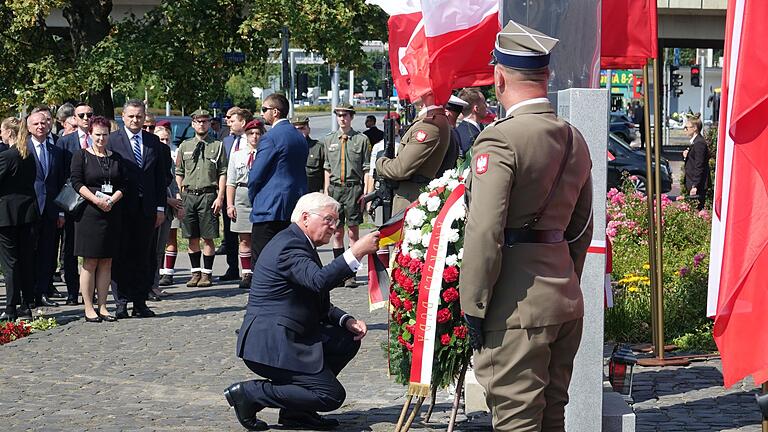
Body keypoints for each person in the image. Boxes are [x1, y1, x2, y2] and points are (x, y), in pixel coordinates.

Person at [458, 21, 593, 431]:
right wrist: (565, 278)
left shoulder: (500, 139)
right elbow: (582, 226)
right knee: (553, 416)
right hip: (563, 298)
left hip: (516, 305)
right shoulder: (573, 137)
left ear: (499, 78)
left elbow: (484, 231)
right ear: (547, 75)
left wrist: (473, 305)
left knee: (517, 422)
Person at [224, 192, 380, 431]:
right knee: (330, 396)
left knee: (346, 339)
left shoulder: (298, 241)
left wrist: (345, 320)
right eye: (328, 219)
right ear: (305, 217)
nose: (333, 227)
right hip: (271, 344)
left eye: (336, 222)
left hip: (291, 334)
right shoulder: (289, 245)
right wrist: (356, 251)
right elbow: (318, 281)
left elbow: (312, 296)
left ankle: (297, 413)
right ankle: (250, 394)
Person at [108, 99, 171, 319]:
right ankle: (121, 302)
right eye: (131, 116)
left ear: (144, 117)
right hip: (122, 208)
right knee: (121, 255)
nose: (135, 120)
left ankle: (140, 302)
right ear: (123, 117)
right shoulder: (113, 141)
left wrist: (161, 208)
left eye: (139, 116)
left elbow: (161, 178)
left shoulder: (154, 142)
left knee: (143, 256)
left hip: (147, 209)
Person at [71, 116, 127, 322]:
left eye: (105, 135)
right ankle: (88, 307)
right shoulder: (81, 155)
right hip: (89, 213)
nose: (101, 138)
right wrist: (96, 200)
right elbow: (76, 182)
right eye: (97, 135)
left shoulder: (116, 158)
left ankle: (103, 306)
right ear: (90, 135)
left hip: (111, 212)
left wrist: (112, 200)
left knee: (107, 261)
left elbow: (124, 183)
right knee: (90, 261)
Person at [248, 94, 308, 265]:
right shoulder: (299, 137)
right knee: (287, 257)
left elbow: (256, 175)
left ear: (275, 112)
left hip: (269, 207)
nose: (262, 113)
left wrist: (254, 198)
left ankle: (263, 291)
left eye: (264, 109)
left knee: (262, 260)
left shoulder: (270, 137)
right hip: (293, 203)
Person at [175, 109, 228, 288]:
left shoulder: (218, 146)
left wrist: (220, 196)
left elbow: (222, 173)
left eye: (205, 121)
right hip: (189, 195)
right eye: (198, 121)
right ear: (193, 124)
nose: (201, 125)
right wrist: (179, 194)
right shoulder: (185, 146)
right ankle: (195, 272)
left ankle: (207, 274)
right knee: (191, 237)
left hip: (208, 195)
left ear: (209, 124)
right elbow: (179, 172)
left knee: (208, 236)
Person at [375, 92, 450, 214]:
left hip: (411, 201)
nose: (411, 91)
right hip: (412, 197)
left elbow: (399, 169)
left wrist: (380, 162)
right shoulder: (431, 120)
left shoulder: (428, 125)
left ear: (428, 93)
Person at [322, 103, 370, 286]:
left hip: (353, 188)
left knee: (353, 232)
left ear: (352, 117)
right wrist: (326, 190)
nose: (342, 118)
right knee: (336, 232)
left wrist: (366, 192)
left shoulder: (361, 140)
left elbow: (366, 168)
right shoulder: (329, 140)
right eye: (339, 115)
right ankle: (339, 273)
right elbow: (326, 167)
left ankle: (351, 273)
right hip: (335, 189)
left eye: (346, 115)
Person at [56, 102, 95, 306]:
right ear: (74, 118)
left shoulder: (100, 139)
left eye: (89, 114)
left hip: (96, 202)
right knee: (70, 248)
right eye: (82, 115)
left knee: (94, 250)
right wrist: (61, 210)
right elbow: (60, 175)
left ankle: (92, 291)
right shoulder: (65, 142)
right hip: (72, 202)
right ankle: (73, 291)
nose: (86, 118)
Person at [26, 111, 66, 308]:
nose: (40, 126)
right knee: (28, 254)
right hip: (29, 211)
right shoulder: (22, 150)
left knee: (47, 254)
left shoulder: (56, 151)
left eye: (43, 123)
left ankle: (42, 292)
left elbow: (59, 183)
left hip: (50, 211)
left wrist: (60, 211)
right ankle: (28, 294)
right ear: (28, 127)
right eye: (36, 123)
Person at [0, 117, 37, 321]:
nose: (1, 135)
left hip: (7, 216)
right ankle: (26, 303)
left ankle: (10, 307)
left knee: (10, 263)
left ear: (9, 132)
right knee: (24, 260)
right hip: (27, 213)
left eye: (2, 131)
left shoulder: (7, 156)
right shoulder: (28, 156)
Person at [226, 119, 264, 290]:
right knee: (244, 238)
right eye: (251, 134)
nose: (254, 137)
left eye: (258, 134)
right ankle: (246, 273)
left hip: (261, 195)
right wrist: (230, 204)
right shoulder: (237, 155)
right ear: (246, 136)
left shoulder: (266, 153)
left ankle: (260, 272)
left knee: (260, 237)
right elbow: (231, 182)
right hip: (241, 195)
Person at [219, 107, 253, 283]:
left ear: (243, 122)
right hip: (229, 190)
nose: (228, 123)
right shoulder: (226, 140)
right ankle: (232, 267)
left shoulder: (254, 139)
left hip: (248, 191)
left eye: (232, 120)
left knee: (248, 234)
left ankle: (251, 270)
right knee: (230, 232)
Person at [152, 120, 182, 297]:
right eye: (161, 139)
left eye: (167, 140)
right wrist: (168, 200)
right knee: (152, 249)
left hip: (169, 209)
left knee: (159, 250)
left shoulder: (169, 158)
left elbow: (173, 183)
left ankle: (154, 284)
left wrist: (178, 200)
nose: (164, 143)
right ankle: (149, 285)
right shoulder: (151, 156)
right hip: (157, 207)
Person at [682, 115, 710, 210]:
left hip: (697, 185)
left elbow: (699, 165)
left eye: (686, 127)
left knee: (696, 210)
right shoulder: (695, 142)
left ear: (694, 128)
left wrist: (695, 185)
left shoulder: (699, 143)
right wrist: (687, 156)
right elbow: (694, 161)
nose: (685, 130)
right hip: (693, 183)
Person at [292, 116, 325, 193]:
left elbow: (326, 173)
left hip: (312, 194)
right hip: (293, 194)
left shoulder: (318, 148)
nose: (299, 132)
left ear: (308, 129)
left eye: (302, 128)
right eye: (296, 129)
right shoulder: (287, 148)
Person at [454, 87, 487, 158]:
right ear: (476, 109)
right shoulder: (473, 137)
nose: (486, 106)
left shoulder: (459, 130)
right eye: (484, 103)